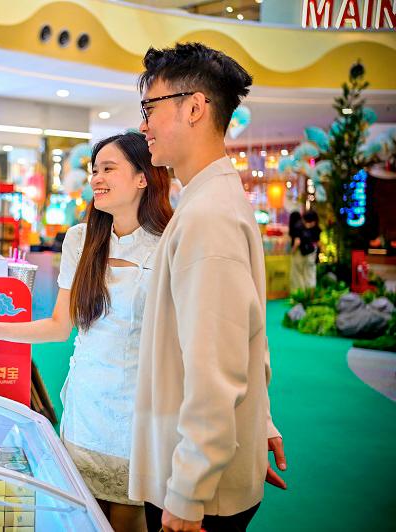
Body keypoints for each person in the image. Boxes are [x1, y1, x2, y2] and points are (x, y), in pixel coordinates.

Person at [0, 132, 172, 532]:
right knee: (83, 514)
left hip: (137, 410)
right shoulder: (82, 238)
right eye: (94, 170)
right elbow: (61, 327)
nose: (96, 178)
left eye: (109, 169)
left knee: (129, 517)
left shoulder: (168, 243)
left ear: (143, 177)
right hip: (85, 405)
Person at [132, 43, 287, 532]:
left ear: (194, 107)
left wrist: (187, 493)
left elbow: (214, 370)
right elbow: (247, 338)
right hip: (209, 477)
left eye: (149, 109)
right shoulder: (214, 200)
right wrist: (253, 422)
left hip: (200, 497)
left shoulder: (207, 216)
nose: (143, 126)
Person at [291, 210, 321, 291]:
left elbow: (297, 242)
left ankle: (301, 295)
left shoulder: (298, 226)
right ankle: (310, 296)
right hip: (311, 253)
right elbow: (318, 243)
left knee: (298, 275)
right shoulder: (316, 227)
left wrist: (292, 251)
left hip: (301, 253)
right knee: (310, 274)